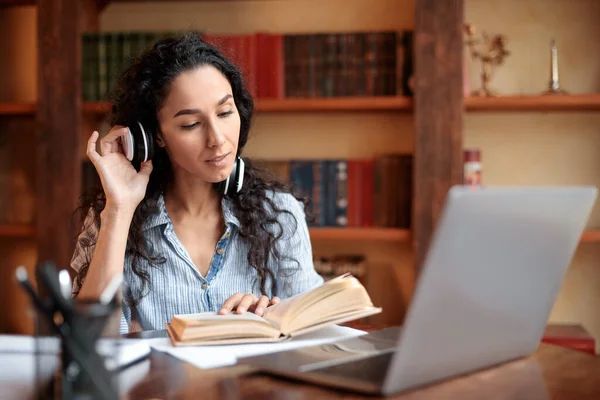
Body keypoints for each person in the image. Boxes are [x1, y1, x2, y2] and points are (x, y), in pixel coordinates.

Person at [70, 31, 324, 334]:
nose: (217, 139)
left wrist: (276, 319)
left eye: (225, 112)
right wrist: (119, 209)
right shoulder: (112, 219)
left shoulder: (278, 213)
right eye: (191, 124)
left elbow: (316, 334)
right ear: (156, 136)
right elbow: (89, 340)